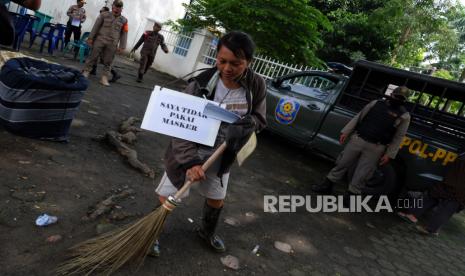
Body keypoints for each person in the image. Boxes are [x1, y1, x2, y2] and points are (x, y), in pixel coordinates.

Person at [150, 31, 267, 257]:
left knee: (216, 198)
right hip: (187, 153)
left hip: (222, 155)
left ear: (249, 62)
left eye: (236, 63)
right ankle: (151, 233)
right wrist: (190, 162)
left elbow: (260, 119)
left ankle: (206, 231)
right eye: (222, 61)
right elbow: (179, 128)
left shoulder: (256, 85)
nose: (227, 68)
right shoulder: (200, 83)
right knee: (168, 196)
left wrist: (248, 124)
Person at [312, 86, 411, 198]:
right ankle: (327, 186)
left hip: (376, 147)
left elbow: (399, 136)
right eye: (397, 96)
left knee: (363, 173)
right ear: (392, 94)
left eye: (401, 99)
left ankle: (351, 196)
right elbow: (359, 117)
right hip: (358, 139)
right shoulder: (376, 103)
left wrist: (389, 154)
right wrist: (346, 131)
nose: (398, 99)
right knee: (342, 163)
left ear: (405, 101)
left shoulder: (404, 116)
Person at [398, 152, 465, 236]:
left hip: (460, 178)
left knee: (451, 201)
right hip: (458, 171)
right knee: (436, 192)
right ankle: (412, 214)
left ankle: (431, 229)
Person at [81, 0, 128, 86]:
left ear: (122, 9)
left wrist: (122, 46)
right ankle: (86, 71)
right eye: (115, 6)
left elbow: (124, 34)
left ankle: (104, 77)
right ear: (112, 6)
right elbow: (96, 26)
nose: (116, 9)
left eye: (119, 7)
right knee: (93, 57)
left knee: (109, 61)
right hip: (100, 40)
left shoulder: (124, 20)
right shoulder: (104, 15)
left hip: (112, 43)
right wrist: (91, 38)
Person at [89, 6, 121, 83]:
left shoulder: (108, 20)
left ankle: (115, 73)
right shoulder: (101, 18)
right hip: (99, 41)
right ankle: (93, 70)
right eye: (100, 11)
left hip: (105, 42)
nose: (100, 13)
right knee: (96, 56)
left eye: (102, 11)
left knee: (104, 59)